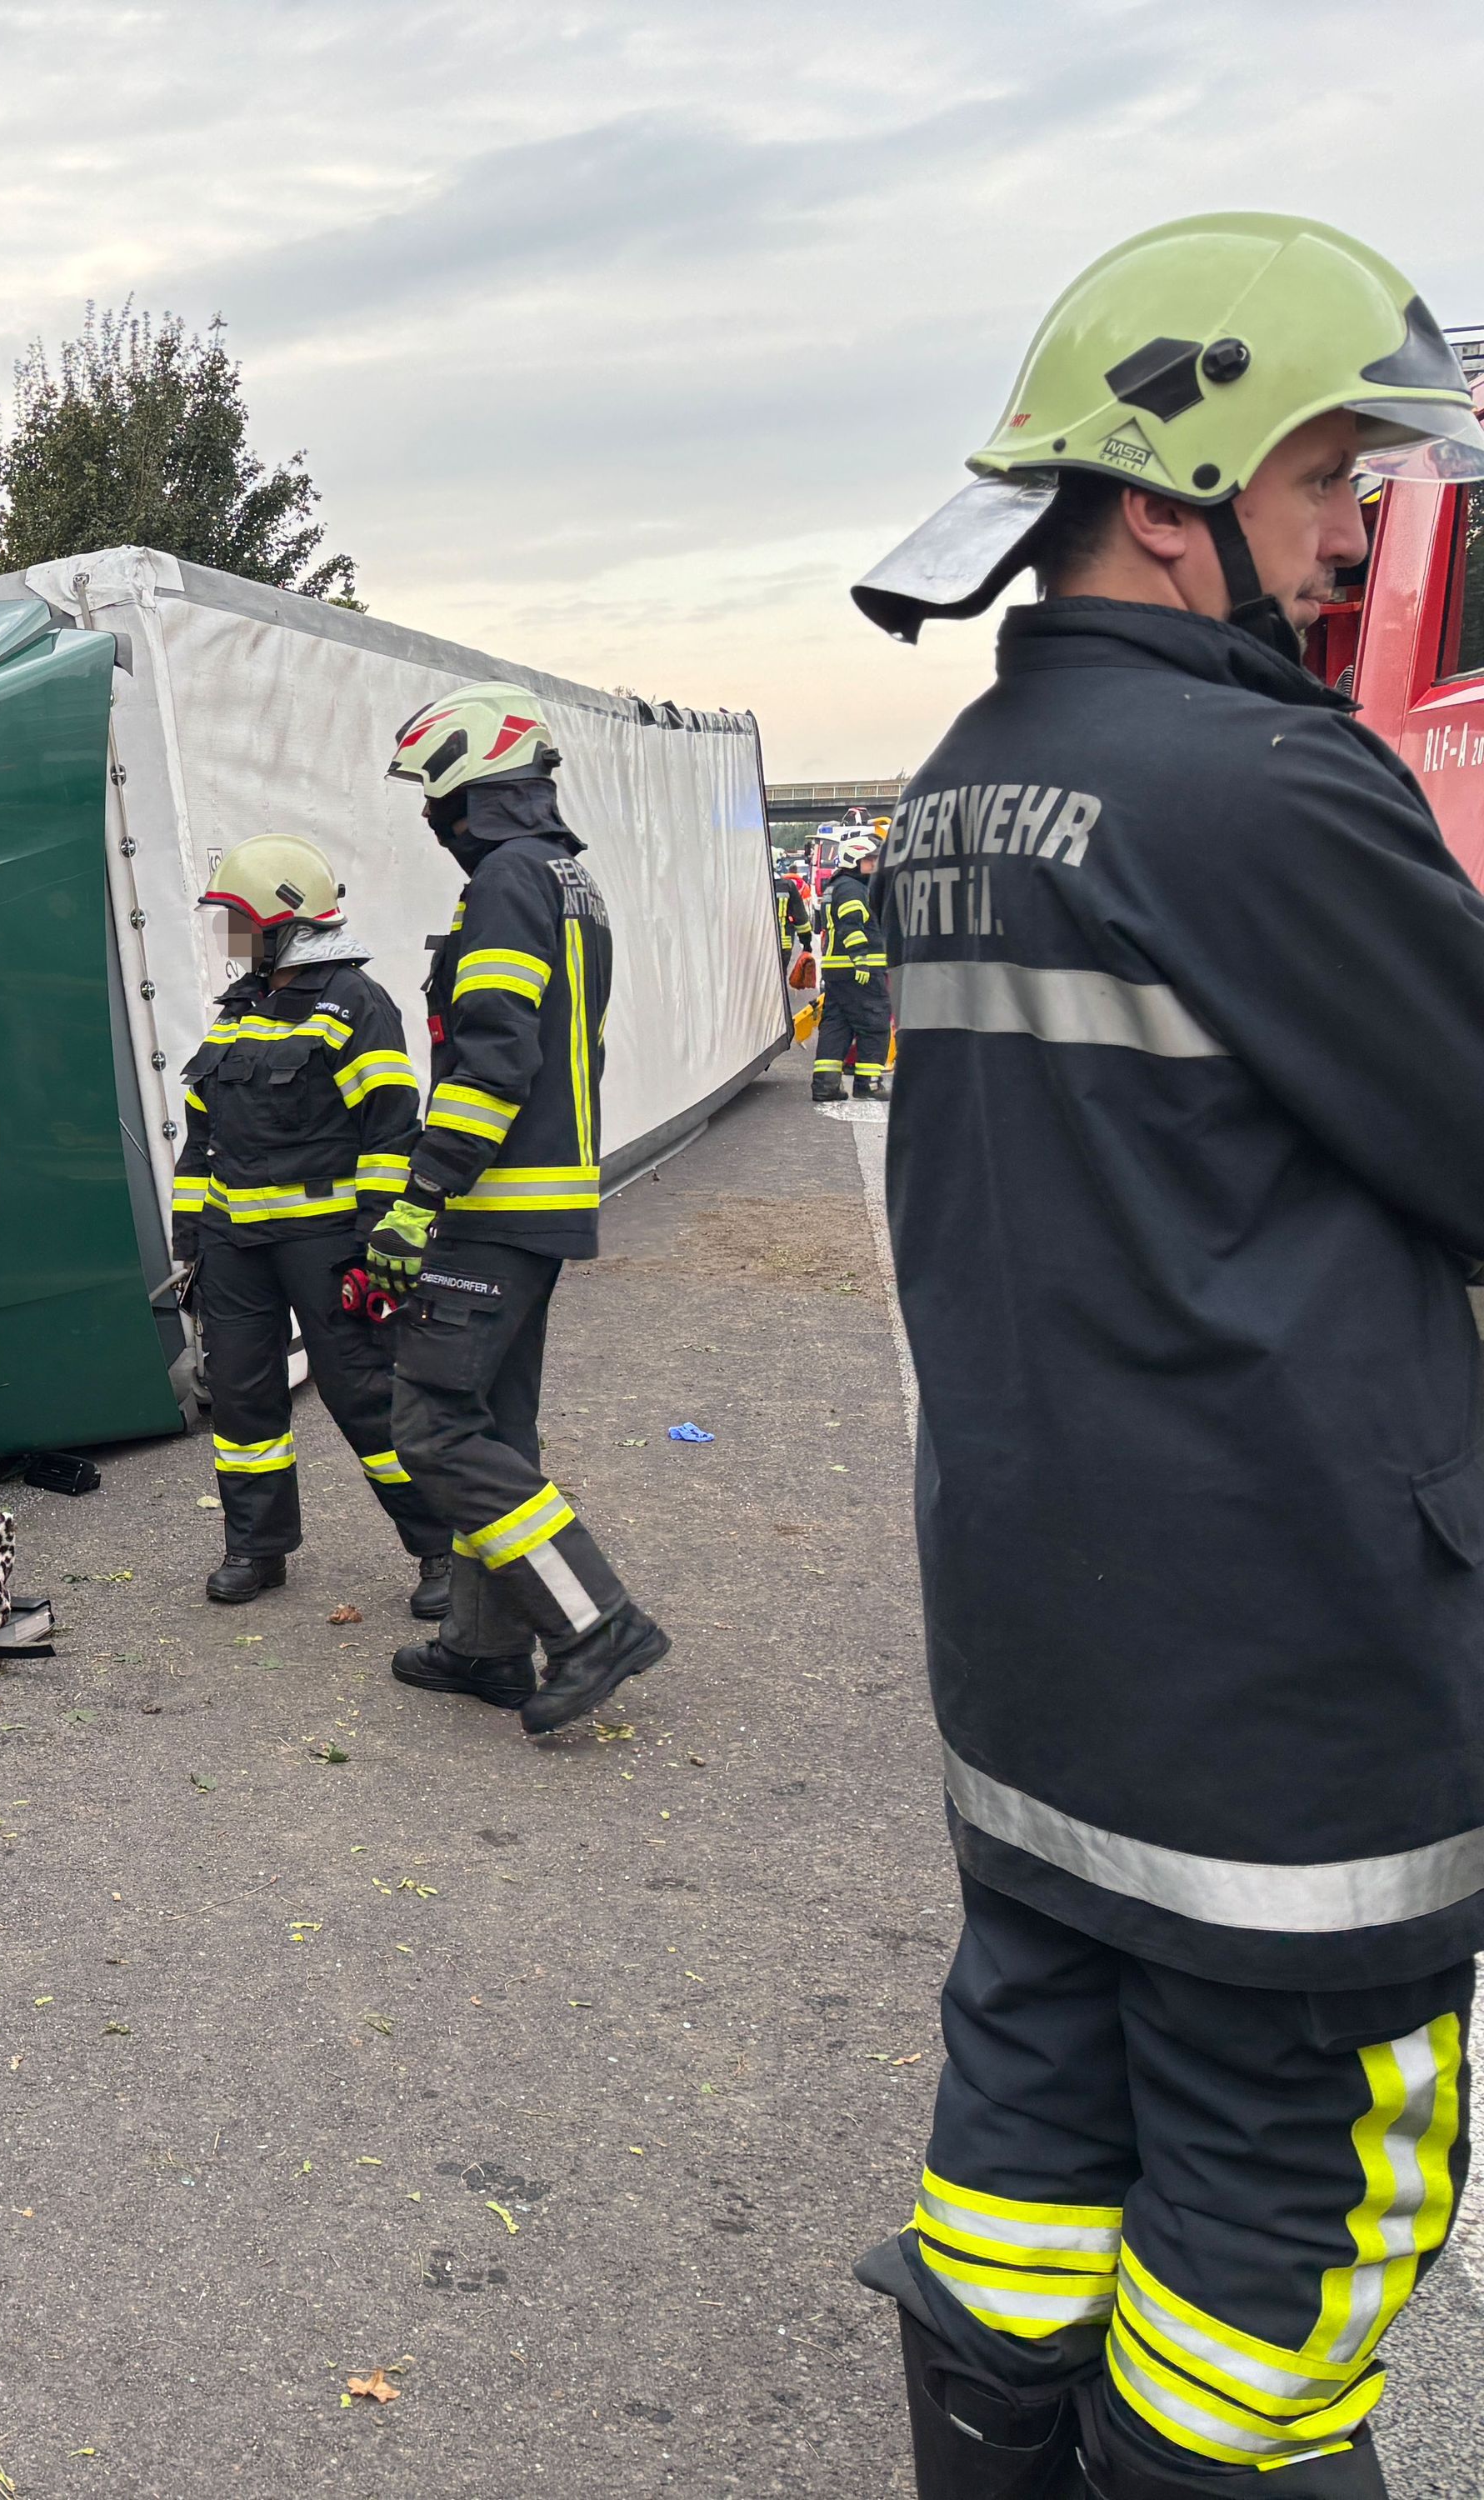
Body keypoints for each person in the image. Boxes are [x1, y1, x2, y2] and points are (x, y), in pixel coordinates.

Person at [847, 211, 1484, 2498]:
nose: (1355, 541)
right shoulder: (1269, 795)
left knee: (1027, 2162)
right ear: (1165, 487)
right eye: (1329, 479)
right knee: (1283, 2258)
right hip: (1288, 1706)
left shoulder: (952, 795)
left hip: (1049, 1658)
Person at [366, 683, 670, 1735]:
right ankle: (486, 1648)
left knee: (433, 1425)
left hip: (490, 1209)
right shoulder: (564, 876)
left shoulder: (503, 880)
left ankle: (597, 1624)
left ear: (471, 783)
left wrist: (423, 1193)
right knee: (498, 1425)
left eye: (431, 792)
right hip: (538, 1205)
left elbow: (496, 1052)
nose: (426, 817)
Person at [169, 832, 452, 1616]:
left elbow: (392, 1133)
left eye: (237, 921)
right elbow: (202, 1140)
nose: (229, 939)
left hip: (328, 1249)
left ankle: (438, 1551)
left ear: (282, 920)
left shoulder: (358, 1006)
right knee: (241, 1402)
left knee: (366, 1395)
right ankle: (256, 1549)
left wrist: (378, 1246)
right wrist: (189, 1243)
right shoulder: (238, 1011)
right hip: (234, 1251)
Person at [812, 830, 892, 1098]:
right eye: (870, 860)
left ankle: (825, 1084)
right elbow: (851, 926)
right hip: (860, 970)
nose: (875, 866)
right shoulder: (852, 888)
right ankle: (868, 1084)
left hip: (838, 970)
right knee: (875, 1023)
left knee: (837, 1025)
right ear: (854, 859)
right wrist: (862, 961)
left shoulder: (837, 885)